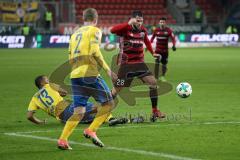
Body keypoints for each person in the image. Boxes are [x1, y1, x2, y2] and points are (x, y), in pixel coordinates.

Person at [57, 8, 117, 150]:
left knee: (79, 111)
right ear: (96, 18)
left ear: (83, 18)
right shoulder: (95, 30)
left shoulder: (74, 34)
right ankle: (91, 130)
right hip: (89, 73)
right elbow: (95, 51)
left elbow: (70, 56)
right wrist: (108, 70)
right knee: (109, 103)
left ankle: (63, 140)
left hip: (75, 75)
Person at [110, 10, 166, 122]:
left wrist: (153, 53)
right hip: (126, 66)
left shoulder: (143, 30)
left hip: (140, 64)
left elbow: (147, 42)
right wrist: (128, 23)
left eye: (141, 21)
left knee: (153, 83)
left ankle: (155, 111)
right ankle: (104, 110)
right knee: (117, 89)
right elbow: (112, 30)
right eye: (138, 20)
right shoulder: (125, 29)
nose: (140, 23)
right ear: (133, 19)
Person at [27, 75, 119, 126]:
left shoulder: (34, 98)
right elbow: (64, 93)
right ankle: (111, 119)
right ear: (42, 82)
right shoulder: (49, 85)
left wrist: (40, 122)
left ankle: (110, 119)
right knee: (100, 107)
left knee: (93, 115)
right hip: (67, 109)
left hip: (63, 119)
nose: (48, 80)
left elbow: (29, 116)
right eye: (46, 79)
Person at [150, 17, 176, 82]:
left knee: (164, 64)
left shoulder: (168, 30)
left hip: (165, 51)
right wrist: (149, 46)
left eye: (163, 22)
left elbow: (173, 38)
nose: (162, 23)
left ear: (165, 23)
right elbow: (152, 38)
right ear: (159, 23)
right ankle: (156, 77)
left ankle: (162, 76)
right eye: (161, 22)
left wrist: (174, 45)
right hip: (158, 50)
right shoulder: (156, 30)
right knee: (157, 63)